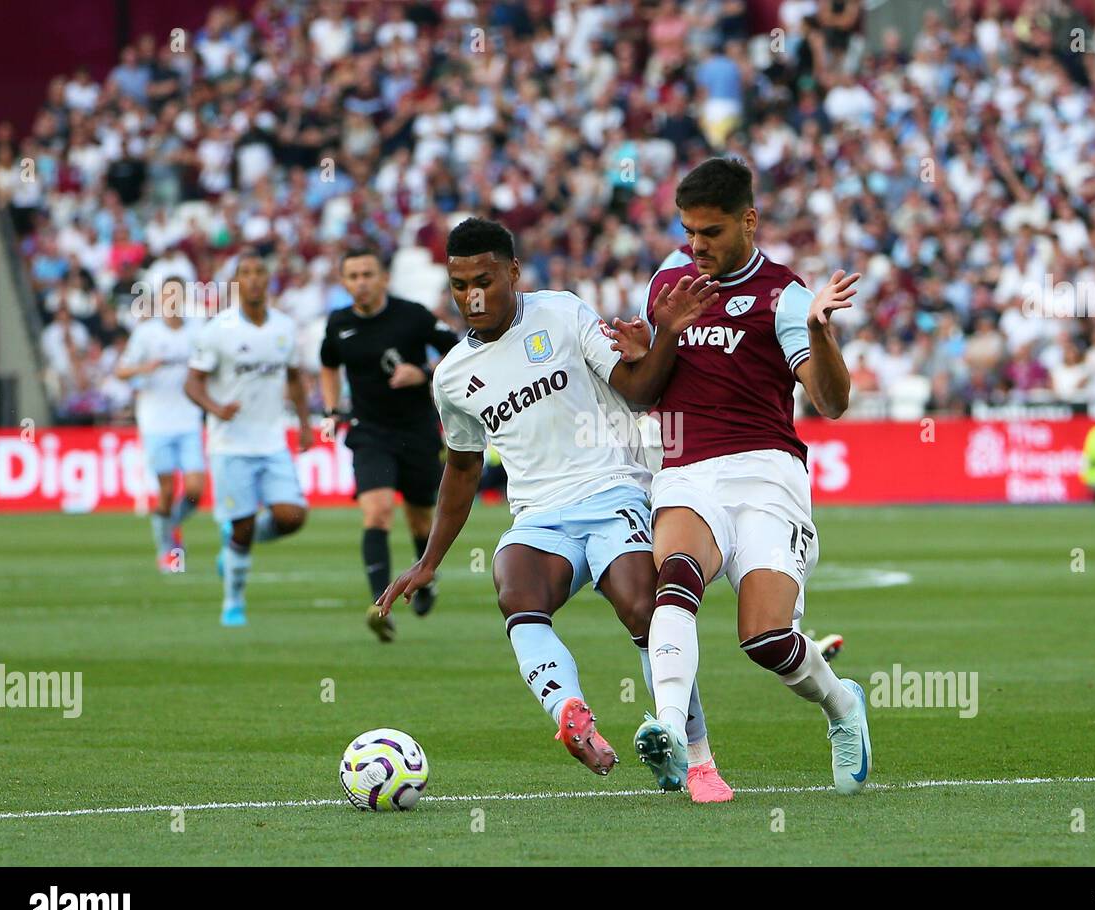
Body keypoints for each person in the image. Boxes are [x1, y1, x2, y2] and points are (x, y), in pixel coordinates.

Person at [378, 218, 737, 802]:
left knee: (642, 606)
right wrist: (427, 561)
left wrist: (666, 334)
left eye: (485, 280)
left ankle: (695, 758)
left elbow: (640, 389)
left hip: (615, 489)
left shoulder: (564, 313)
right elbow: (463, 469)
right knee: (514, 584)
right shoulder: (451, 377)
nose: (472, 296)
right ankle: (572, 713)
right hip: (540, 516)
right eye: (459, 283)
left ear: (514, 273)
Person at [611, 157, 872, 795]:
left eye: (712, 232)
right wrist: (651, 346)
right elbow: (652, 385)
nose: (696, 245)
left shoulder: (787, 295)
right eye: (689, 230)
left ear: (749, 221)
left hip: (766, 474)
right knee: (672, 580)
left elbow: (833, 403)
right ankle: (670, 729)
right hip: (685, 468)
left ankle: (842, 707)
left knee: (765, 638)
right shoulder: (669, 278)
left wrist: (819, 330)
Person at [319, 248, 460, 641]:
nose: (360, 282)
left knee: (419, 518)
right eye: (353, 275)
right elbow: (328, 363)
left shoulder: (412, 315)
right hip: (369, 432)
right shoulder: (339, 323)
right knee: (378, 512)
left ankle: (425, 576)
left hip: (415, 430)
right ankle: (379, 606)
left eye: (368, 273)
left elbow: (459, 348)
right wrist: (332, 407)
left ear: (383, 278)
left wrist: (424, 371)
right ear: (344, 282)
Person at [184, 252, 313, 627]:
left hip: (272, 440)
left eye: (260, 272)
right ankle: (233, 603)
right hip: (230, 444)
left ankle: (236, 543)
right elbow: (191, 382)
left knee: (292, 517)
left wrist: (304, 424)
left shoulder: (285, 327)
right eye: (246, 273)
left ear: (269, 280)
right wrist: (215, 407)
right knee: (240, 527)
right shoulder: (216, 331)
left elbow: (292, 378)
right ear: (235, 283)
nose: (254, 279)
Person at [114, 277, 206, 571]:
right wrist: (145, 367)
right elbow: (121, 372)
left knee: (195, 489)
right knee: (166, 490)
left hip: (189, 418)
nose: (172, 300)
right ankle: (166, 548)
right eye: (168, 295)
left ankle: (169, 526)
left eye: (177, 295)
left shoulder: (197, 332)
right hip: (155, 421)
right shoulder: (146, 334)